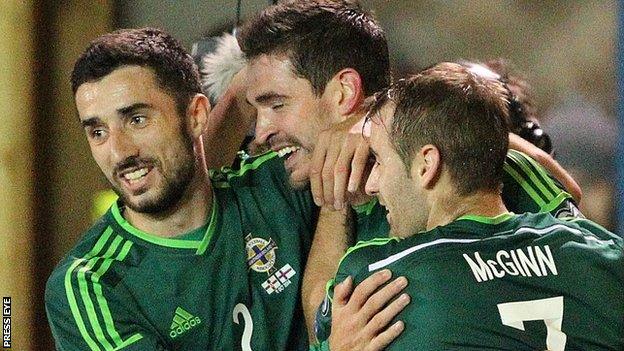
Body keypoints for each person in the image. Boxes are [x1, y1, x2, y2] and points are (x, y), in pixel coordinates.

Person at [235, 0, 583, 344]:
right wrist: (335, 199)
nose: (261, 130)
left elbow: (573, 215)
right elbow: (323, 329)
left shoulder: (473, 163)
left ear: (344, 92)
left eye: (277, 104)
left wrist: (464, 129)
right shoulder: (278, 187)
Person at [314, 62, 624, 350]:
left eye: (379, 160)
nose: (371, 183)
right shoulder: (601, 254)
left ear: (426, 166)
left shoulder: (374, 284)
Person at [45, 27, 318, 350]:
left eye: (136, 120)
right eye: (98, 132)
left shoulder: (278, 184)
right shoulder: (89, 285)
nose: (118, 152)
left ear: (196, 116)